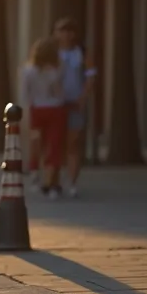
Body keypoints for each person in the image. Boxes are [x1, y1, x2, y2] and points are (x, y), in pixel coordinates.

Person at [55, 18, 96, 198]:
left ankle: (72, 181)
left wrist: (83, 97)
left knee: (73, 142)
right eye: (62, 30)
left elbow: (90, 75)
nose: (66, 35)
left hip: (75, 102)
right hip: (55, 103)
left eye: (69, 31)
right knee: (56, 143)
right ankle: (53, 179)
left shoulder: (82, 53)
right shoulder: (52, 52)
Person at [23, 37, 67, 199]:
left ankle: (35, 172)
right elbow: (59, 93)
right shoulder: (56, 71)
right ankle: (50, 183)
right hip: (55, 109)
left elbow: (26, 93)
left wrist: (28, 110)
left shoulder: (28, 71)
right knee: (53, 144)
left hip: (36, 109)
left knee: (36, 142)